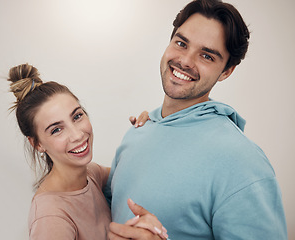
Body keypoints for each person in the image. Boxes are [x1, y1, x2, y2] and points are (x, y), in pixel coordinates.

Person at [105, 0, 288, 239]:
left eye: (207, 56)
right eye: (181, 43)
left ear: (226, 71)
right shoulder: (139, 130)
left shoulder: (243, 163)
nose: (186, 61)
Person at [7, 63, 168, 240]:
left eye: (77, 116)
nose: (77, 135)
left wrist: (148, 128)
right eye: (56, 130)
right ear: (37, 144)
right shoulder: (50, 217)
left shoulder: (92, 174)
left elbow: (134, 173)